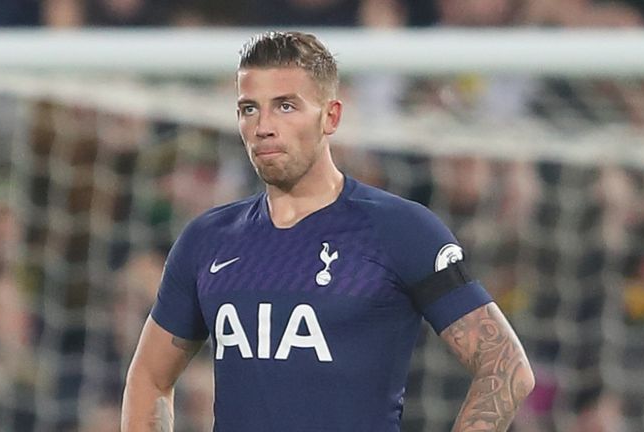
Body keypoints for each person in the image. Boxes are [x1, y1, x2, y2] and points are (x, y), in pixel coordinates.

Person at [121, 31, 534, 432]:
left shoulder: (398, 229)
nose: (263, 126)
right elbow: (150, 378)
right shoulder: (207, 240)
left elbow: (504, 364)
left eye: (285, 106)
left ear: (331, 116)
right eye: (249, 108)